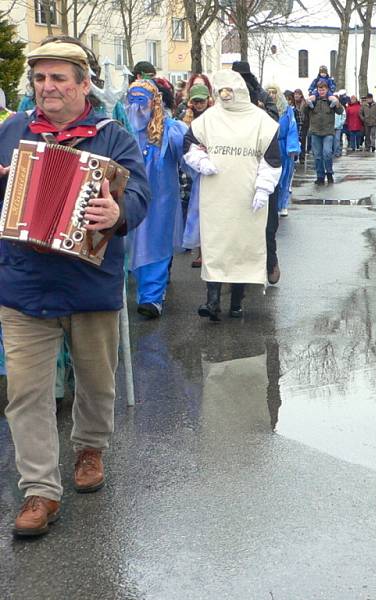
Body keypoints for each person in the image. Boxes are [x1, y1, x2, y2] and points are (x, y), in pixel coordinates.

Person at [0, 39, 149, 538]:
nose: (48, 88)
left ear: (84, 84)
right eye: (40, 79)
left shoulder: (112, 137)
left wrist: (118, 213)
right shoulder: (13, 132)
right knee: (26, 392)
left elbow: (141, 195)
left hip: (90, 282)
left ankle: (89, 447)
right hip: (25, 283)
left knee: (97, 381)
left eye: (59, 78)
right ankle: (40, 491)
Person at [183, 70, 282, 319]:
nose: (226, 96)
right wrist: (200, 159)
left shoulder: (260, 120)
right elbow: (189, 142)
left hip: (247, 194)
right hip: (216, 193)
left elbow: (271, 159)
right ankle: (212, 301)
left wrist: (263, 188)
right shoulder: (210, 118)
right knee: (216, 245)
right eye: (222, 91)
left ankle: (237, 302)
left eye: (230, 91)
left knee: (242, 247)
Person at [125, 79, 187, 319]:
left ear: (154, 102)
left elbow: (189, 159)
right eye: (132, 100)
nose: (136, 106)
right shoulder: (120, 129)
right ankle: (136, 292)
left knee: (156, 244)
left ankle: (151, 298)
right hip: (127, 198)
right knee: (128, 244)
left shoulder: (171, 129)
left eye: (142, 100)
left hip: (160, 201)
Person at [180, 83, 213, 268]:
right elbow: (183, 142)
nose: (199, 104)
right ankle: (199, 250)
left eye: (202, 101)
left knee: (208, 212)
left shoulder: (215, 117)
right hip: (191, 169)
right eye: (196, 101)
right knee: (196, 211)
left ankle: (207, 252)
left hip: (209, 169)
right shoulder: (185, 118)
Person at [264, 82, 299, 218]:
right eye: (269, 92)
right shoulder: (263, 109)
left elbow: (292, 128)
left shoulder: (286, 110)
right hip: (267, 145)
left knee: (284, 176)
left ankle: (282, 204)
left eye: (274, 92)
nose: (271, 95)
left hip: (283, 146)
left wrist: (292, 147)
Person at [304, 80, 343, 185]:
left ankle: (329, 172)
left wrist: (337, 102)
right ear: (317, 89)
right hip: (315, 131)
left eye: (323, 89)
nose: (321, 91)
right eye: (320, 89)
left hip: (328, 131)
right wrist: (307, 102)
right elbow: (304, 112)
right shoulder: (314, 100)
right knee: (317, 155)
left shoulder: (330, 100)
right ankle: (320, 176)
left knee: (327, 153)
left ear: (327, 89)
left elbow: (340, 111)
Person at [293, 89, 309, 163]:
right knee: (295, 140)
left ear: (301, 95)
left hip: (303, 125)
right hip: (294, 124)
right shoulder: (293, 104)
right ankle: (295, 156)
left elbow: (308, 114)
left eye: (298, 94)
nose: (296, 96)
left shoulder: (305, 104)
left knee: (302, 141)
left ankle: (302, 157)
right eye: (295, 94)